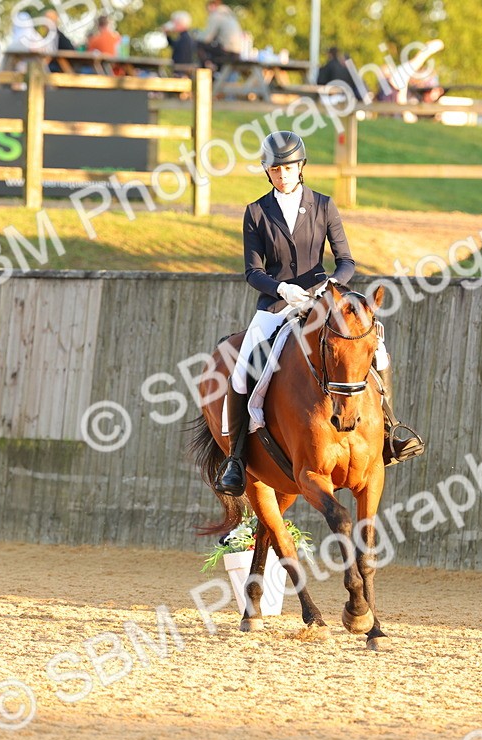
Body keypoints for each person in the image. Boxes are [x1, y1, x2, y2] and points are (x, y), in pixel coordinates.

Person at [213, 131, 424, 496]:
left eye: (289, 168)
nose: (282, 175)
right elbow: (252, 271)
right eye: (275, 169)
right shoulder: (256, 212)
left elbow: (346, 261)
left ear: (301, 167)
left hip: (323, 302)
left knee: (378, 346)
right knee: (242, 367)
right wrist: (281, 288)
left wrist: (326, 287)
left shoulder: (324, 205)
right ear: (267, 171)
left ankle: (390, 432)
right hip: (277, 304)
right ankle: (236, 459)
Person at [197, 0, 244, 67]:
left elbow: (207, 38)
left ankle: (206, 68)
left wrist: (196, 36)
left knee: (198, 44)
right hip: (237, 52)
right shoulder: (230, 15)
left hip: (226, 51)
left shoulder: (216, 15)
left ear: (212, 6)